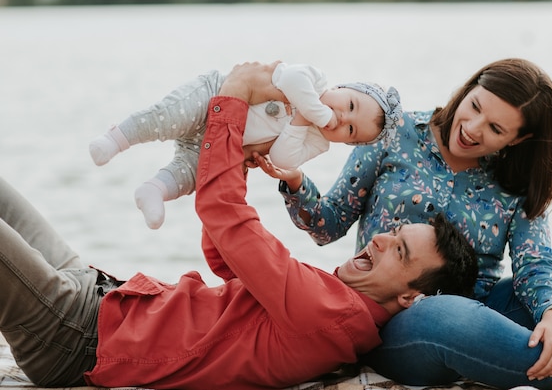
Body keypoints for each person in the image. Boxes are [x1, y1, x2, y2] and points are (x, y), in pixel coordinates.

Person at [0, 62, 478, 390]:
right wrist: (240, 163)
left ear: (411, 298)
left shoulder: (330, 315)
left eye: (399, 251)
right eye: (393, 233)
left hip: (77, 335)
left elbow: (223, 216)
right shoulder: (337, 301)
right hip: (101, 297)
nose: (378, 238)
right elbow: (228, 257)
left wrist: (232, 99)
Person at [252, 58, 552, 389]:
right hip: (399, 322)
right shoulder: (393, 134)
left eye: (496, 129)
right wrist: (297, 183)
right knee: (443, 314)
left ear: (519, 139)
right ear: (468, 88)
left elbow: (535, 262)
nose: (473, 128)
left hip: (490, 313)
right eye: (475, 106)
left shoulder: (517, 181)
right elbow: (327, 225)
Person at [89, 62, 402, 229]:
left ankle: (154, 190)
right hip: (214, 95)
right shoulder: (314, 80)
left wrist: (303, 122)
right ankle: (117, 138)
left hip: (226, 140)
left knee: (194, 171)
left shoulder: (318, 142)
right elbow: (290, 79)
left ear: (348, 143)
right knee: (166, 117)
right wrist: (316, 111)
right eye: (348, 104)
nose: (341, 117)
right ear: (342, 87)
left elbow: (281, 157)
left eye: (349, 129)